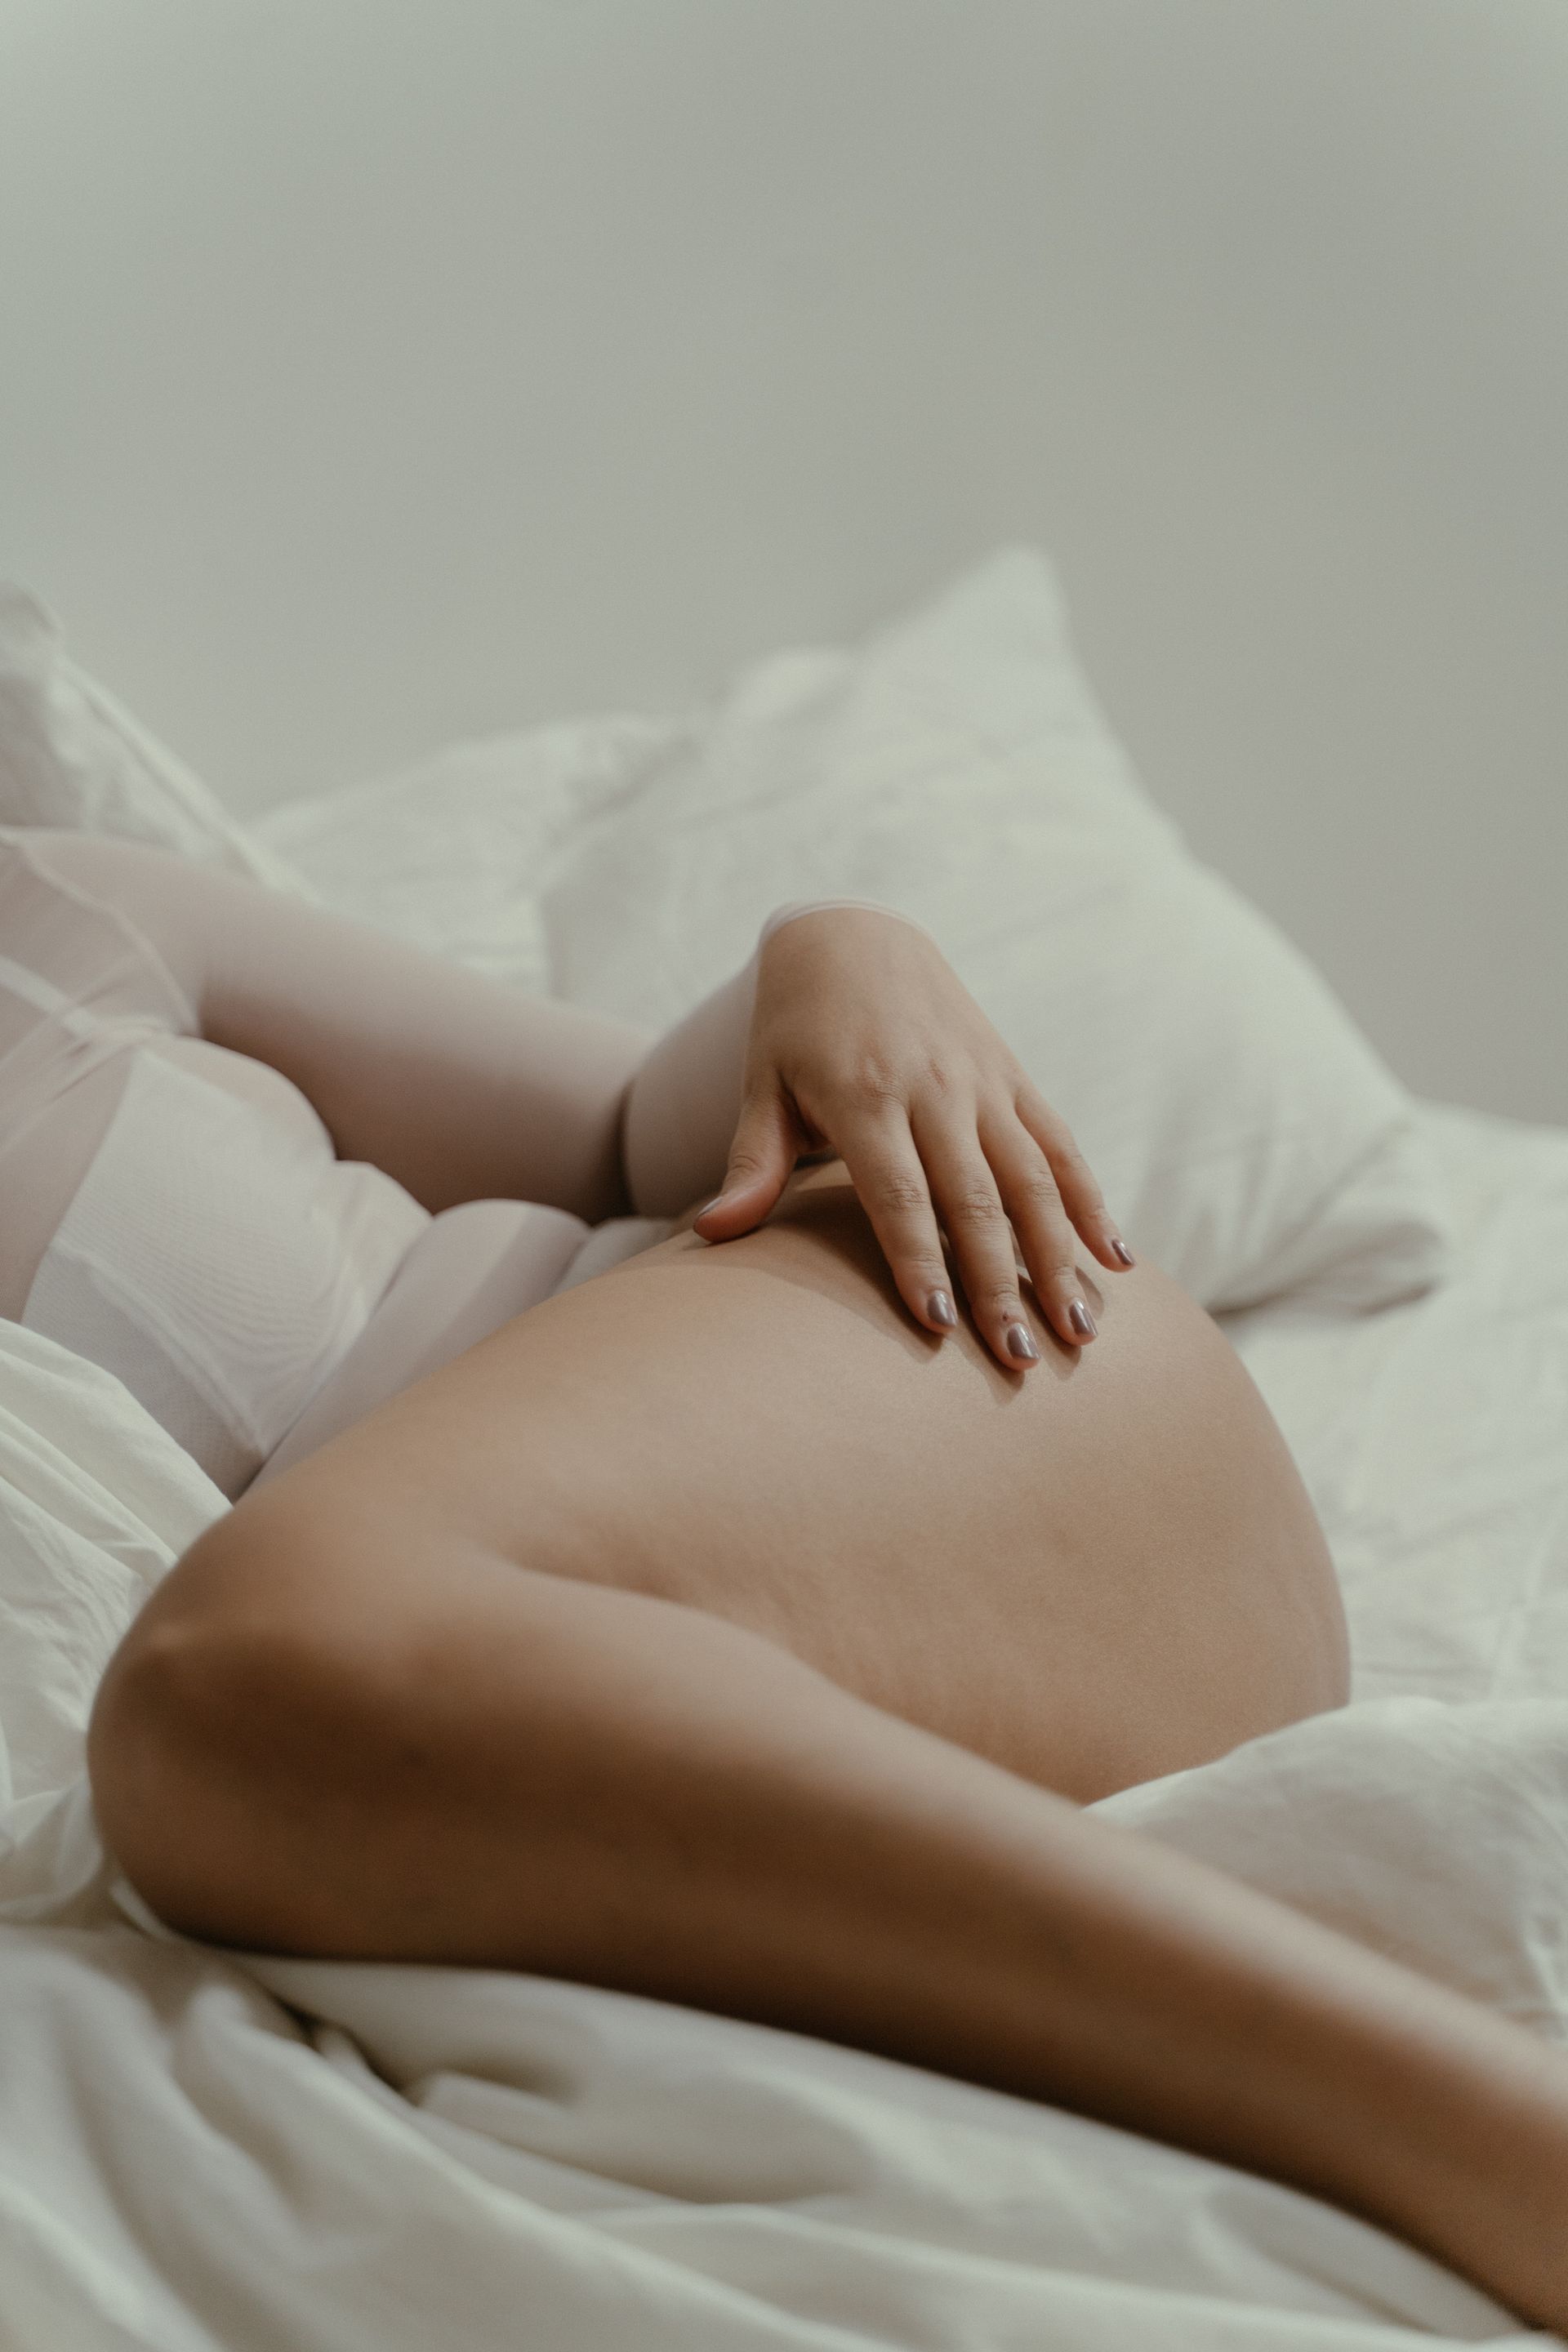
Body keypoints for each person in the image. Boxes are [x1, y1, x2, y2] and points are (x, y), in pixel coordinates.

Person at [4, 826, 1562, 2330]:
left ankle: (1499, 2143)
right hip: (739, 1699)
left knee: (235, 1690)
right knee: (250, 1692)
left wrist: (840, 957)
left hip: (984, 1391)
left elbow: (627, 1130)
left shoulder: (53, 914)